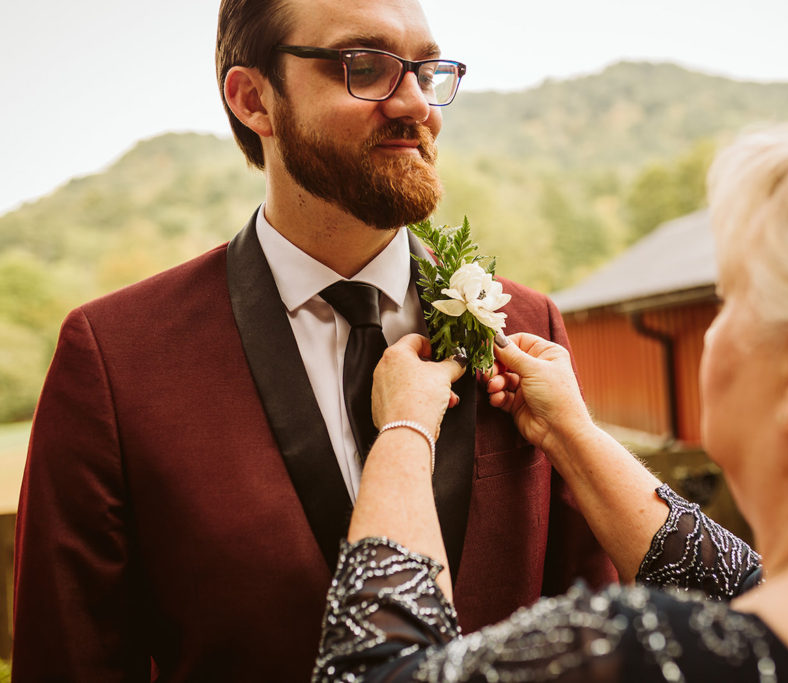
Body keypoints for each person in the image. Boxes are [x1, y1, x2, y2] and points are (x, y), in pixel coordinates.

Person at [313, 83, 788, 682]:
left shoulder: (649, 652)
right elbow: (746, 582)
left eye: (731, 299)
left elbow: (372, 670)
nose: (715, 329)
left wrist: (404, 428)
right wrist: (571, 430)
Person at [12, 0, 614, 679]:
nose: (415, 103)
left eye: (424, 70)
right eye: (367, 67)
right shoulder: (115, 359)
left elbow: (595, 621)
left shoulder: (528, 327)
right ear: (252, 99)